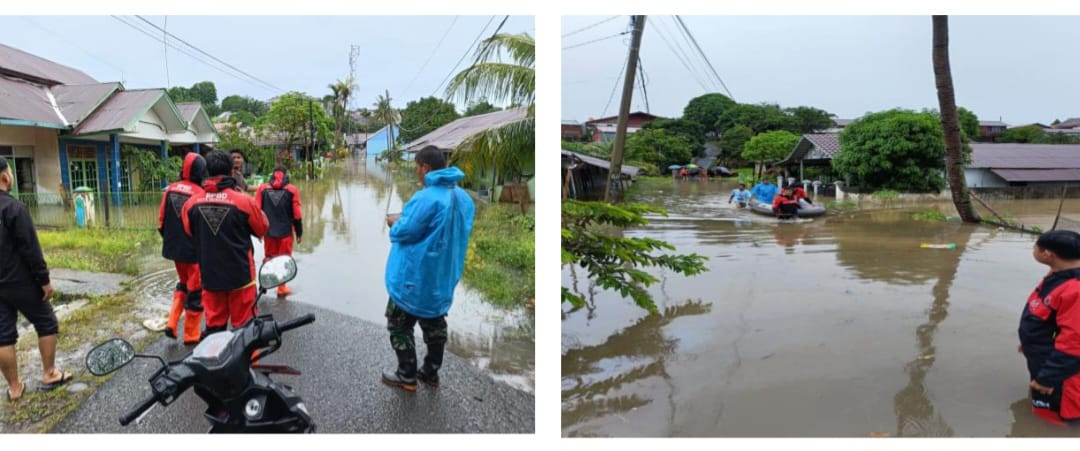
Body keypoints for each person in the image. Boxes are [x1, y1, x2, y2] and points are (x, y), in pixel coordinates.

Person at [381, 146, 475, 392]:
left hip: (415, 276)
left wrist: (394, 222)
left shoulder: (426, 197)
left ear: (425, 167)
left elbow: (405, 231)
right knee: (434, 325)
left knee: (398, 323)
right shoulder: (464, 199)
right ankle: (431, 372)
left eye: (417, 168)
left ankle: (406, 375)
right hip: (443, 276)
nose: (417, 173)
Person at [0, 157, 70, 401]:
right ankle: (49, 373)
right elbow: (31, 249)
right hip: (20, 282)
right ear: (5, 177)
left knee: (3, 335)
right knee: (47, 322)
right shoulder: (14, 208)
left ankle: (14, 387)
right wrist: (44, 280)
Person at [182, 150, 269, 339]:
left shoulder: (191, 204)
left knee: (214, 330)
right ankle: (247, 367)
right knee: (246, 330)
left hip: (210, 277)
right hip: (241, 276)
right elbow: (263, 228)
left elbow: (189, 231)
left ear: (207, 172)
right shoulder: (244, 201)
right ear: (232, 171)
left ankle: (216, 366)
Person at [1019, 230, 1080, 424]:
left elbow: (1075, 343)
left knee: (1057, 420)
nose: (1033, 250)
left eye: (1035, 246)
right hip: (1044, 357)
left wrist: (1048, 378)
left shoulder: (1075, 289)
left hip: (1062, 373)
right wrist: (1029, 342)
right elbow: (1049, 317)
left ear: (1048, 255)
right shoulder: (1058, 273)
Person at [158, 153, 207, 344]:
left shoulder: (170, 190)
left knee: (183, 284)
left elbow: (161, 222)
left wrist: (173, 243)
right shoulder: (199, 194)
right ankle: (191, 334)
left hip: (175, 251)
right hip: (194, 253)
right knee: (196, 291)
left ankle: (171, 323)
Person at [255, 166, 303, 297]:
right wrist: (299, 232)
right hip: (286, 232)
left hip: (268, 232)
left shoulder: (262, 189)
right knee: (284, 259)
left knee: (269, 257)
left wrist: (258, 231)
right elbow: (297, 214)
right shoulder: (292, 190)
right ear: (286, 175)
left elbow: (256, 211)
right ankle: (281, 288)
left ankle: (263, 285)